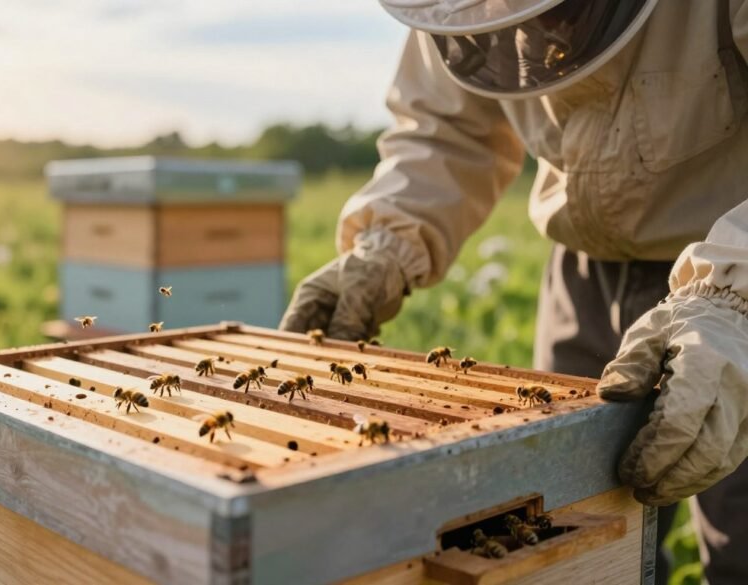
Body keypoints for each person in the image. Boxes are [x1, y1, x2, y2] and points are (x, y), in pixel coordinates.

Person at [279, 1, 748, 582]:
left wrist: (735, 298)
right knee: (577, 533)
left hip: (730, 256)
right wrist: (385, 244)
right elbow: (445, 130)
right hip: (582, 274)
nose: (538, 31)